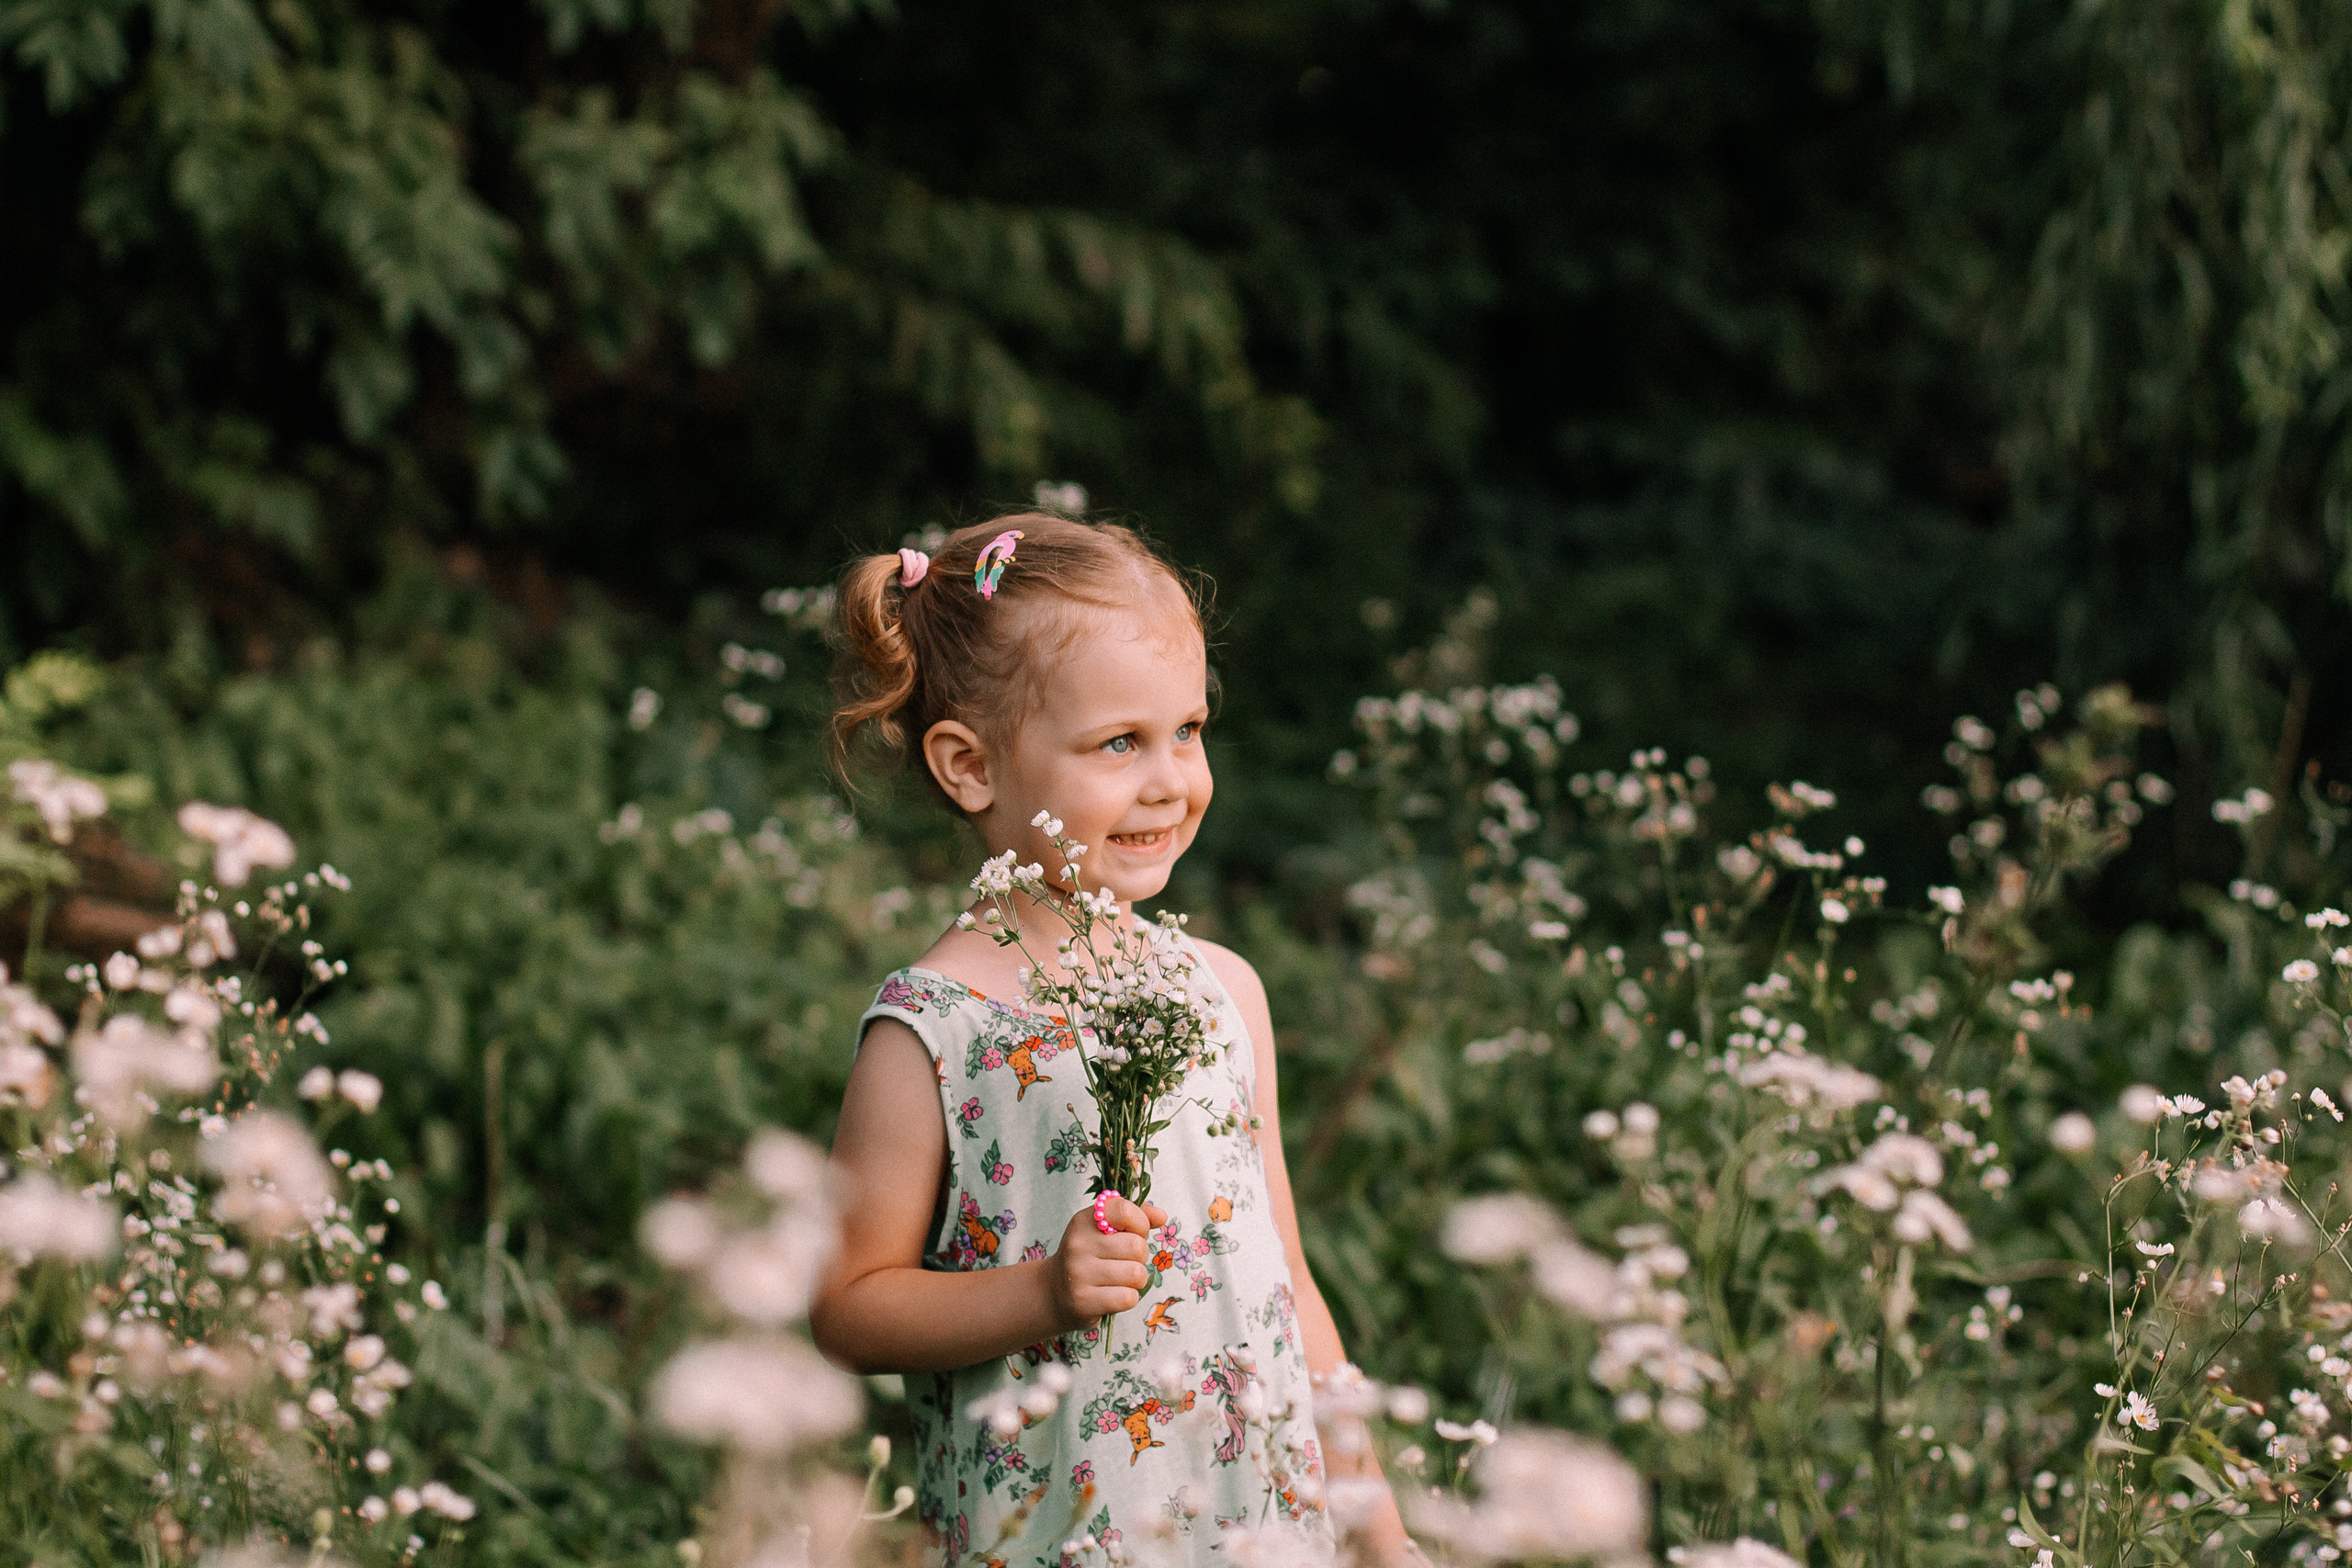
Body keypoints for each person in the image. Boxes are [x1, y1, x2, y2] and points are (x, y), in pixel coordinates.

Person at [810, 515, 1409, 1568]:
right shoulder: (938, 1028)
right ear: (970, 767)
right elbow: (846, 1305)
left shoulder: (1221, 991)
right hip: (1059, 1535)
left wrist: (1377, 1527)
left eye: (1188, 729)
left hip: (1260, 1530)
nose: (1171, 779)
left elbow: (1287, 1287)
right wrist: (1037, 1293)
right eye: (1118, 743)